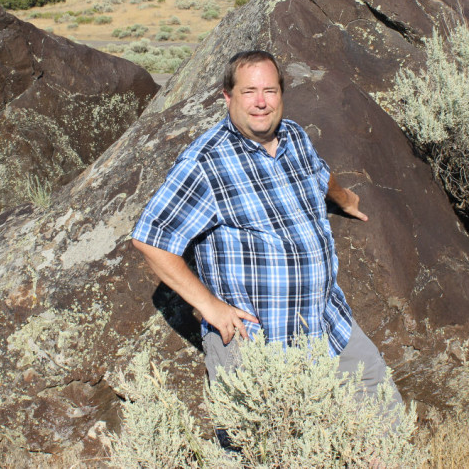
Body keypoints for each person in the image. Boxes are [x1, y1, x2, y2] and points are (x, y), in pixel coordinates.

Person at [131, 50, 402, 406]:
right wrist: (211, 307)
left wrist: (343, 199)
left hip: (326, 321)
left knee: (383, 416)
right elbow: (151, 239)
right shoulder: (205, 162)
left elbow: (320, 174)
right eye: (249, 92)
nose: (261, 102)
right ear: (227, 97)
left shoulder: (293, 136)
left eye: (270, 91)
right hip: (261, 344)